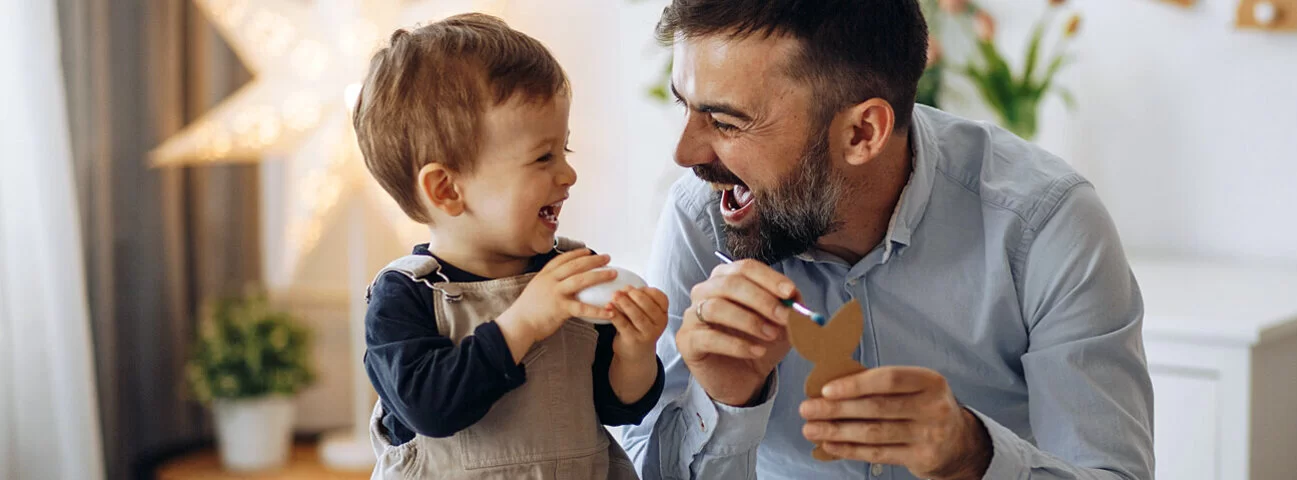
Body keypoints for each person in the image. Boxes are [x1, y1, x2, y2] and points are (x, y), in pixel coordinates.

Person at [620, 1, 1155, 479]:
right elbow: (642, 468)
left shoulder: (1045, 226)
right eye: (684, 106)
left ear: (862, 133)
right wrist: (725, 403)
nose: (686, 154)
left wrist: (972, 457)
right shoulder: (702, 218)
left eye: (726, 122)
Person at [352, 13, 668, 479]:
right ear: (447, 190)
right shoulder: (405, 296)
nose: (568, 174)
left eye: (566, 150)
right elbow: (432, 409)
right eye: (543, 157)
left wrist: (635, 352)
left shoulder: (569, 272)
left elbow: (617, 406)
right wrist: (524, 322)